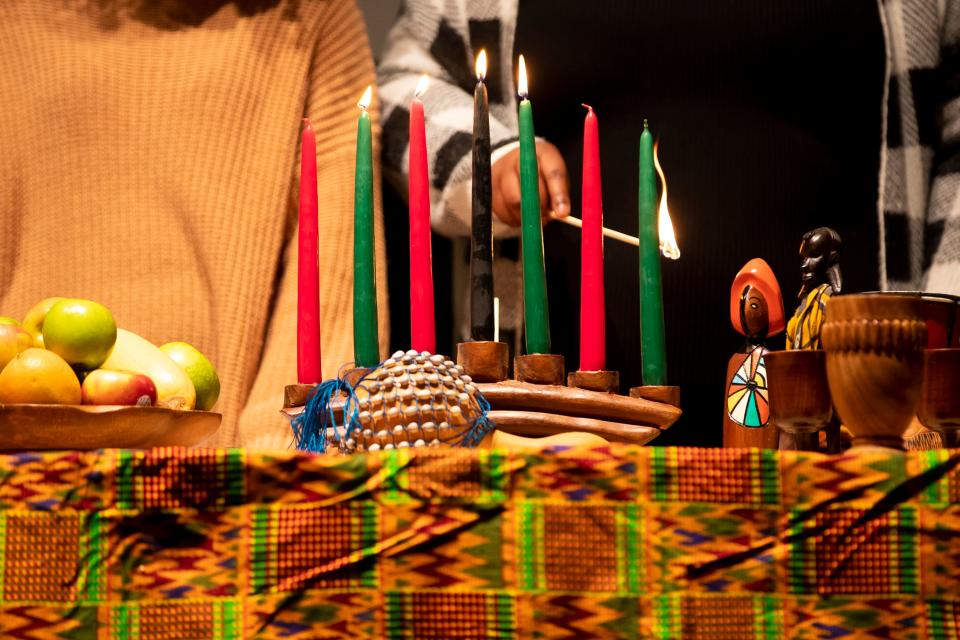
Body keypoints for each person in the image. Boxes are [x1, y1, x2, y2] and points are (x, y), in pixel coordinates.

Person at [378, 0, 960, 445]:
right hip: (554, 434)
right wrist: (492, 157)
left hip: (864, 429)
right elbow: (404, 90)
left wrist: (940, 368)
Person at [0, 0, 388, 449]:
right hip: (18, 466)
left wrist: (279, 465)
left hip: (226, 484)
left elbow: (335, 276)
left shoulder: (308, 17)